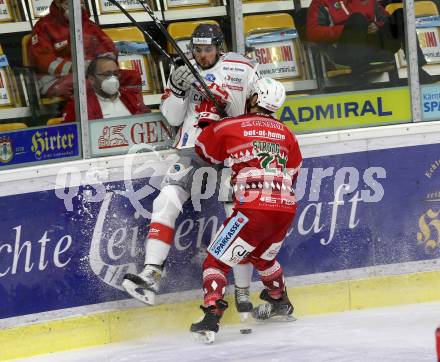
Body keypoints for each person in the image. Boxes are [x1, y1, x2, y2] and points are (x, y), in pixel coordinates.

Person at [122, 24, 260, 313]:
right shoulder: (181, 69)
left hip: (233, 151)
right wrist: (177, 89)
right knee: (165, 201)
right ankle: (151, 274)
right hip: (192, 149)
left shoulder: (242, 67)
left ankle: (244, 290)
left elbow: (259, 109)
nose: (201, 55)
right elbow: (172, 116)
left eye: (207, 49)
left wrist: (234, 117)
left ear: (219, 47)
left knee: (236, 219)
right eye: (197, 49)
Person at [189, 77, 302, 344]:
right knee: (262, 258)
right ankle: (279, 300)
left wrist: (209, 115)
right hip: (285, 209)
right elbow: (293, 172)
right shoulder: (287, 133)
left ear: (253, 98)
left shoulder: (233, 125)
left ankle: (212, 313)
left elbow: (204, 149)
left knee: (215, 260)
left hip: (252, 209)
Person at [305, 0, 435, 82]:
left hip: (374, 50)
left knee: (402, 14)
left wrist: (377, 26)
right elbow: (312, 33)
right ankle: (359, 76)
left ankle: (417, 70)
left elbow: (386, 20)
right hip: (344, 55)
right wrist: (344, 29)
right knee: (357, 18)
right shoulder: (321, 2)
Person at [29, 0, 134, 98]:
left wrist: (99, 67)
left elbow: (108, 49)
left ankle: (131, 110)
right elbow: (43, 61)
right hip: (59, 78)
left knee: (132, 77)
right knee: (84, 86)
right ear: (58, 3)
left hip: (93, 74)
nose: (77, 6)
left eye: (81, 2)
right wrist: (77, 68)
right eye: (69, 3)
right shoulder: (43, 27)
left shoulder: (89, 25)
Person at [62, 55, 149, 122]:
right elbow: (71, 136)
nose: (113, 78)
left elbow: (147, 123)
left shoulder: (132, 98)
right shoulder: (80, 106)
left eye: (116, 74)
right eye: (107, 74)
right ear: (91, 79)